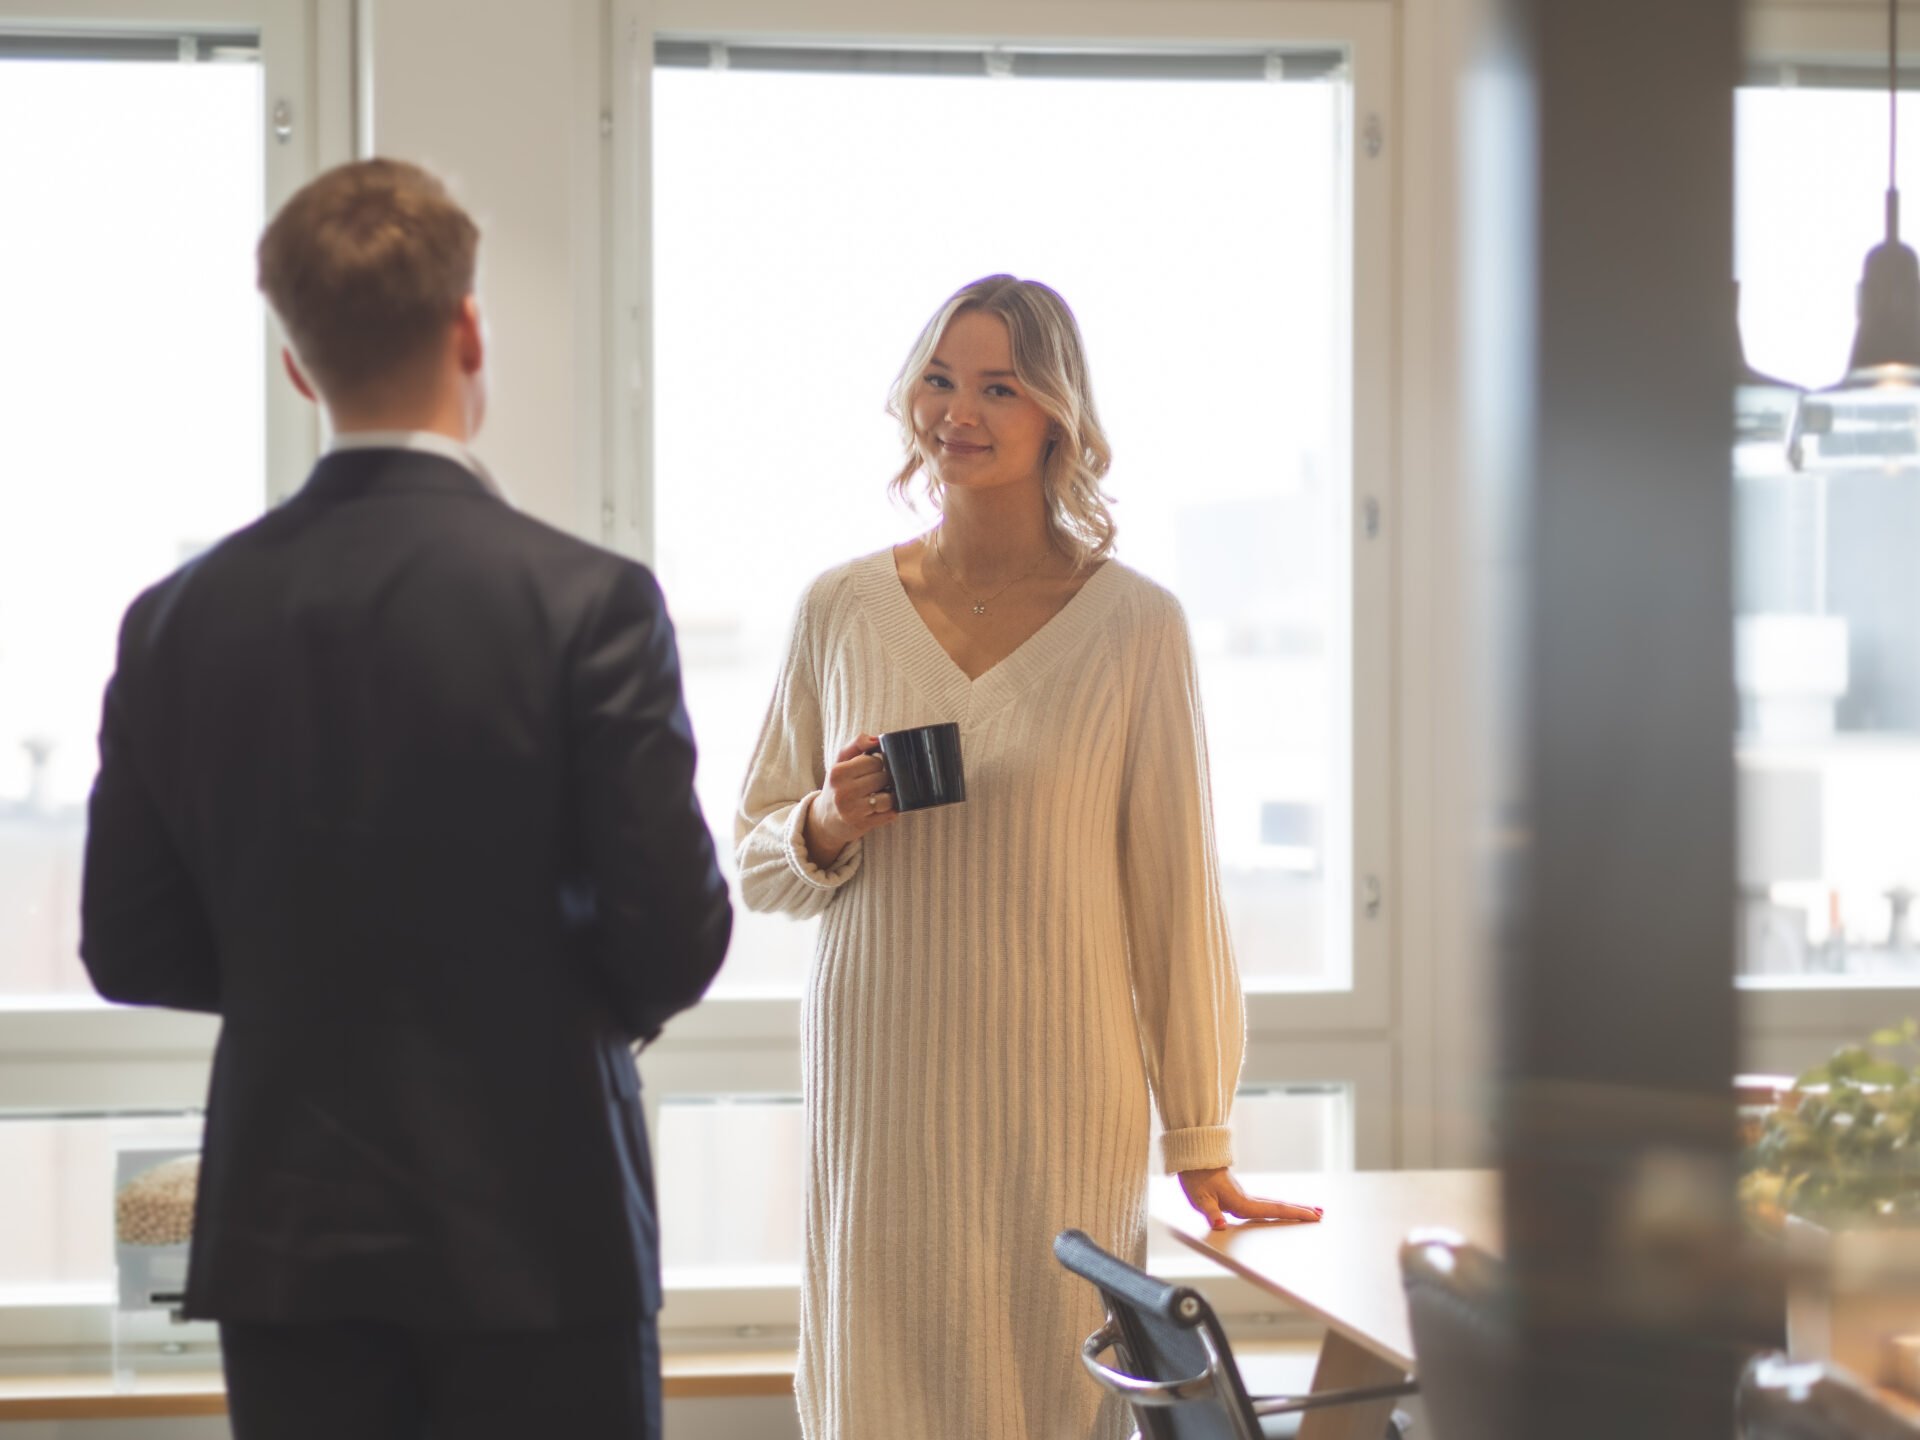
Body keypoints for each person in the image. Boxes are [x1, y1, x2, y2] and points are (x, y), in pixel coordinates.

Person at [79, 158, 731, 1440]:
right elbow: (675, 940)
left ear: (299, 368)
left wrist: (306, 968)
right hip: (546, 1230)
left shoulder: (175, 622)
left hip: (289, 1245)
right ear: (468, 327)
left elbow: (129, 945)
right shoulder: (586, 603)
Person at [737, 274, 1319, 1440]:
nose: (959, 411)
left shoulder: (1135, 626)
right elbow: (755, 857)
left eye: (998, 385)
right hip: (883, 1095)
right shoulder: (839, 608)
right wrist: (826, 822)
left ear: (1057, 409)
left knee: (1055, 1390)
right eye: (940, 380)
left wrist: (1200, 1130)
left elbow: (1173, 899)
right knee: (881, 1393)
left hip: (1061, 1095)